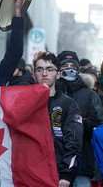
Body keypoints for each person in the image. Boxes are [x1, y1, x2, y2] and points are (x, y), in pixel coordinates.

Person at [33, 51, 83, 187]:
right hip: (29, 172)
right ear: (34, 74)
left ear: (58, 74)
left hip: (58, 174)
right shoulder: (25, 103)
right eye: (39, 69)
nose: (44, 74)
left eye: (50, 69)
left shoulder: (68, 104)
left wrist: (67, 174)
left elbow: (73, 141)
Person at [56, 50, 103, 187]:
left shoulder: (90, 95)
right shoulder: (51, 93)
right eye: (65, 66)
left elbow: (101, 127)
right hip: (54, 162)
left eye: (73, 66)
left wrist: (78, 123)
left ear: (78, 69)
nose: (69, 69)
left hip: (82, 163)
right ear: (58, 69)